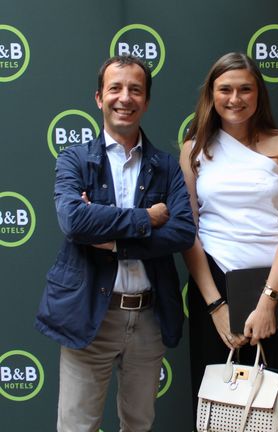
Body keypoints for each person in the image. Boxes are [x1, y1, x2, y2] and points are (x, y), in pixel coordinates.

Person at [35, 55, 196, 432]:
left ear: (147, 101)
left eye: (135, 90)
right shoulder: (74, 159)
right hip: (89, 312)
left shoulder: (166, 166)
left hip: (149, 317)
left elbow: (182, 232)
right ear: (99, 97)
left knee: (139, 425)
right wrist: (147, 218)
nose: (125, 98)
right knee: (77, 426)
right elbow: (75, 222)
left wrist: (114, 242)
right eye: (115, 88)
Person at [180, 52, 278, 428]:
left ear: (258, 94)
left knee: (272, 408)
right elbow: (188, 232)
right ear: (211, 94)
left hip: (277, 286)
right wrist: (216, 306)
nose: (235, 98)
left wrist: (268, 302)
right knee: (214, 407)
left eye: (245, 89)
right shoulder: (193, 149)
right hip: (214, 286)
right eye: (225, 89)